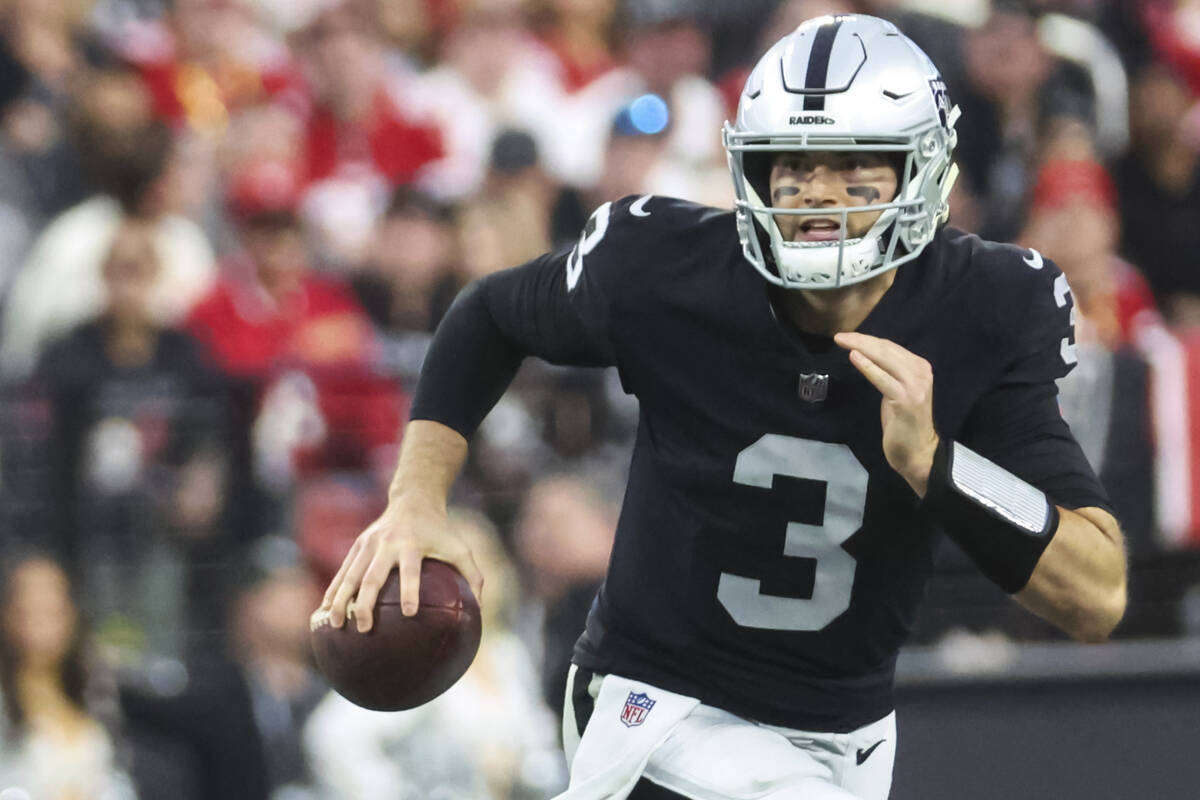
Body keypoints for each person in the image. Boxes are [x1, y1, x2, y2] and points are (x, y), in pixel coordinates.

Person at [319, 15, 1127, 800]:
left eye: (855, 167)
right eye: (794, 165)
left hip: (847, 733)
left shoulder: (988, 307)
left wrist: (937, 465)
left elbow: (1096, 594)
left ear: (922, 169)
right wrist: (415, 497)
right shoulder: (667, 267)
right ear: (753, 170)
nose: (820, 195)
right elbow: (489, 315)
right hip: (655, 707)